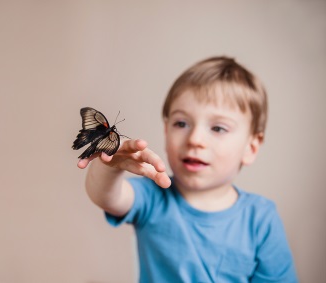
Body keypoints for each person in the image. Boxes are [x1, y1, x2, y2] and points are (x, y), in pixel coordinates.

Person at [77, 56, 298, 282]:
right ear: (166, 132)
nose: (195, 139)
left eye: (218, 128)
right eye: (181, 124)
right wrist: (109, 166)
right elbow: (106, 196)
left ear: (250, 147)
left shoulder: (261, 220)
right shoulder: (153, 197)